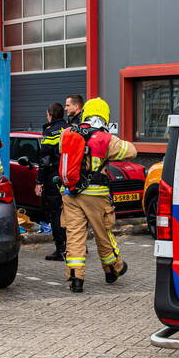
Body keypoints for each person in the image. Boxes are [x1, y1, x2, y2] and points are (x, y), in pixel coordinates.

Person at [58, 97, 137, 293]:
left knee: (74, 235)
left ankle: (76, 278)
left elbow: (62, 151)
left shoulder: (67, 132)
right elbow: (132, 152)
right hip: (96, 195)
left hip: (70, 192)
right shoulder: (106, 138)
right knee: (103, 233)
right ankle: (113, 268)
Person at [35, 102, 70, 261]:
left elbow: (45, 160)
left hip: (53, 178)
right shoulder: (70, 128)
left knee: (55, 213)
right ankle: (74, 246)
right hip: (70, 176)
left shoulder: (50, 132)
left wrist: (39, 181)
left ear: (50, 114)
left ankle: (60, 249)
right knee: (71, 212)